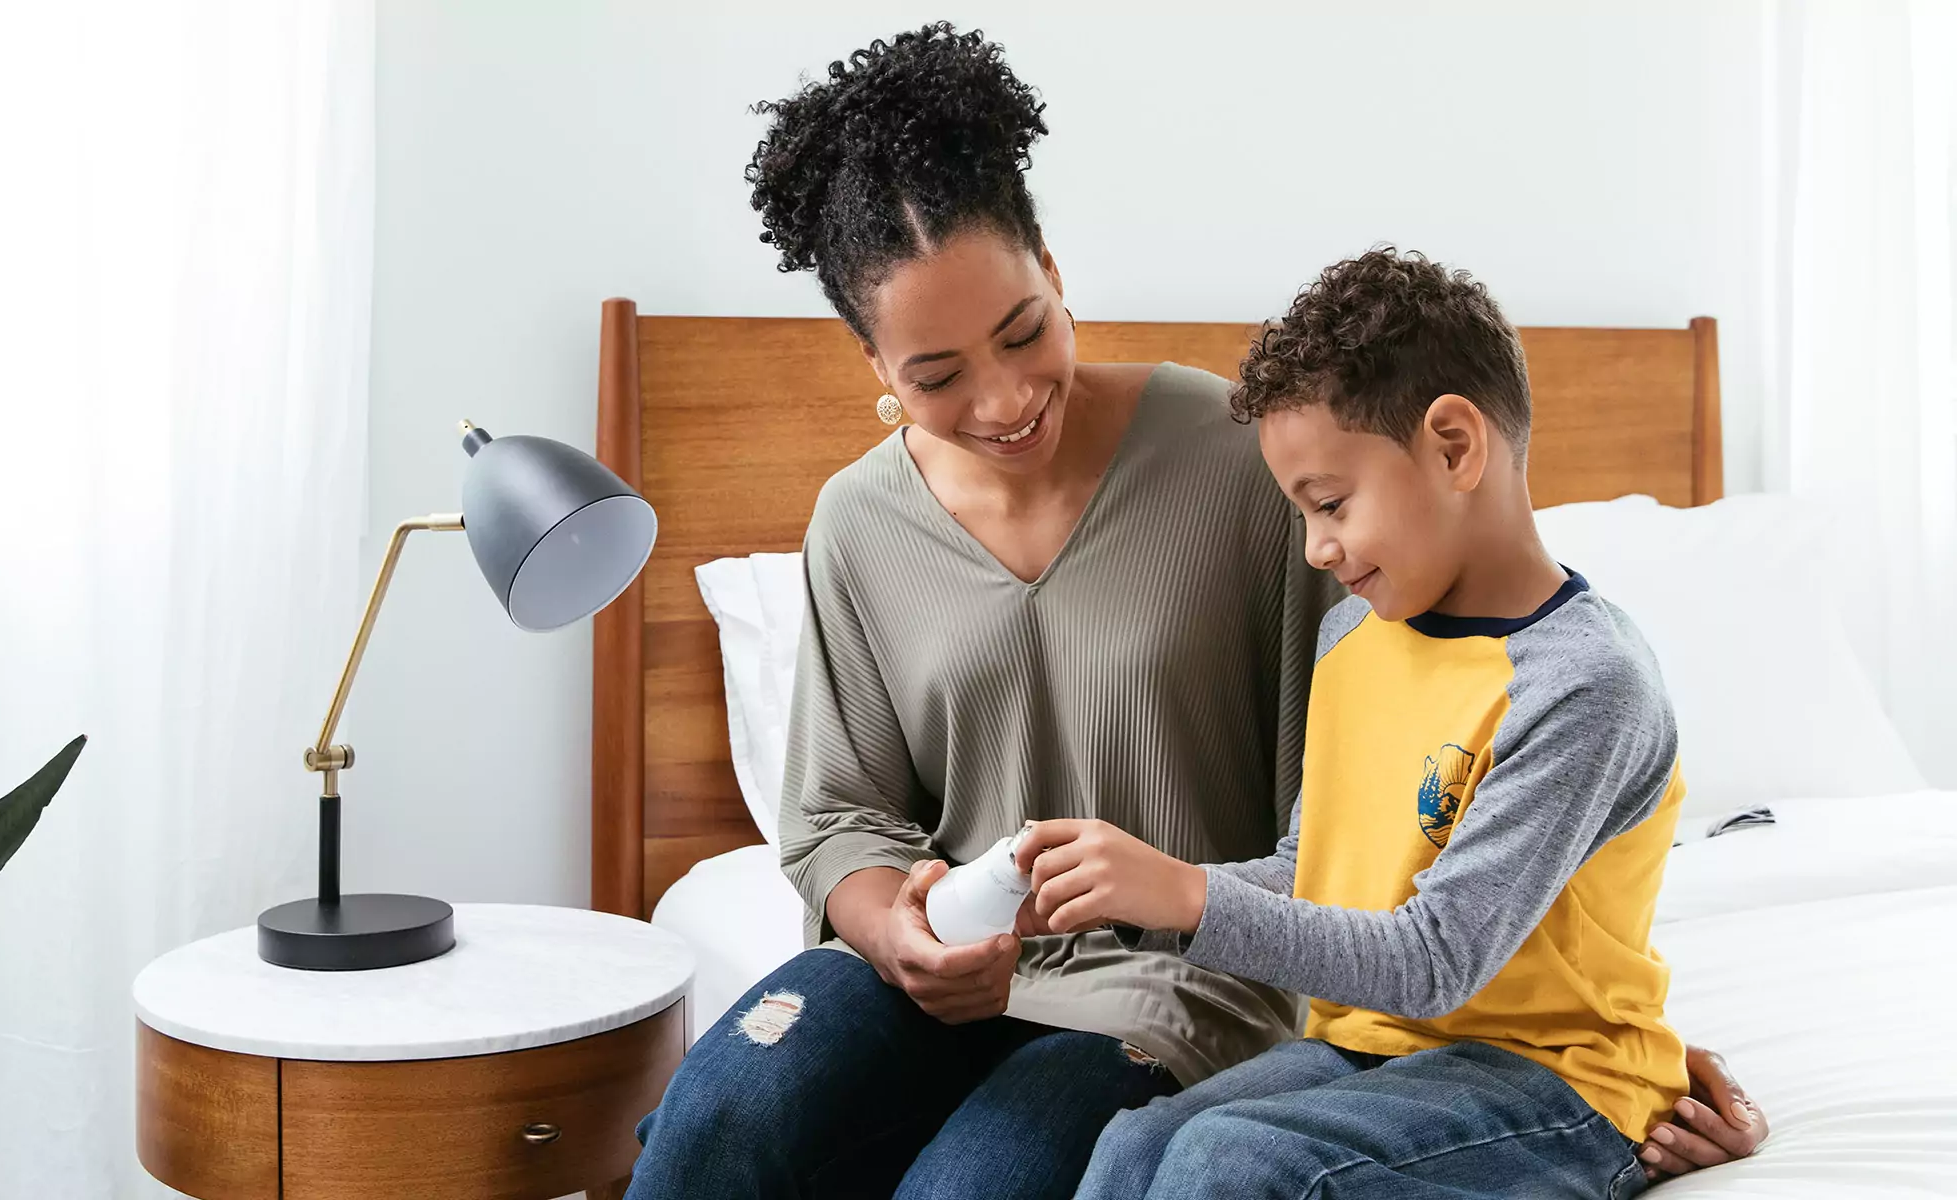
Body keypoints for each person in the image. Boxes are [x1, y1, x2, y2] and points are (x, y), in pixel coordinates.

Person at [623, 25, 1764, 1200]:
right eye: (939, 375)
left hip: (1173, 989)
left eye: (1023, 331)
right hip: (944, 969)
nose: (1005, 399)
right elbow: (838, 816)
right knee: (713, 1125)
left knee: (976, 1186)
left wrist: (1608, 1070)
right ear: (872, 361)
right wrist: (898, 935)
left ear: (1053, 271)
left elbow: (1423, 810)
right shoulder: (856, 523)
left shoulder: (1252, 461)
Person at [1039, 248, 1706, 1200]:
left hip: (1559, 1082)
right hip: (1371, 1050)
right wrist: (1125, 898)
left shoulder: (1584, 683)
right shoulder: (1353, 636)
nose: (1318, 548)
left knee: (1231, 1162)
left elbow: (1436, 959)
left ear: (1454, 447)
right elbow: (1312, 875)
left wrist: (1186, 894)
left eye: (1331, 504)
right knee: (1136, 1147)